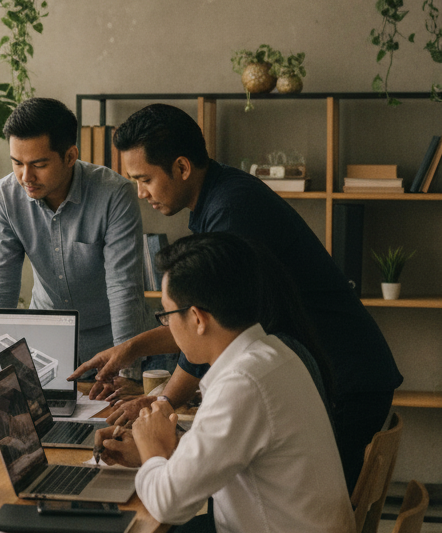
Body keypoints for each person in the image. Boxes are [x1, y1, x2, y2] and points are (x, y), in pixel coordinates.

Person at [71, 103, 401, 491]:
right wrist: (130, 349)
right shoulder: (220, 195)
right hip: (334, 368)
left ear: (181, 168)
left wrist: (162, 404)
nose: (141, 193)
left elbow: (211, 321)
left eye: (144, 179)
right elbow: (198, 319)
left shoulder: (232, 212)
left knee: (319, 512)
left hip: (345, 374)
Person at [97, 233, 364, 533]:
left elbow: (170, 504)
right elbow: (227, 452)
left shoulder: (244, 383)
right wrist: (154, 453)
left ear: (198, 319)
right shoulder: (271, 354)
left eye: (167, 315)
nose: (169, 327)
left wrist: (155, 450)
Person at [0, 97, 148, 369]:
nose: (26, 176)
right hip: (44, 342)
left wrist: (126, 373)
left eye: (38, 164)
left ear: (70, 156)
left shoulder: (114, 194)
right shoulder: (5, 196)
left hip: (111, 342)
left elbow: (124, 288)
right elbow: (1, 283)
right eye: (17, 163)